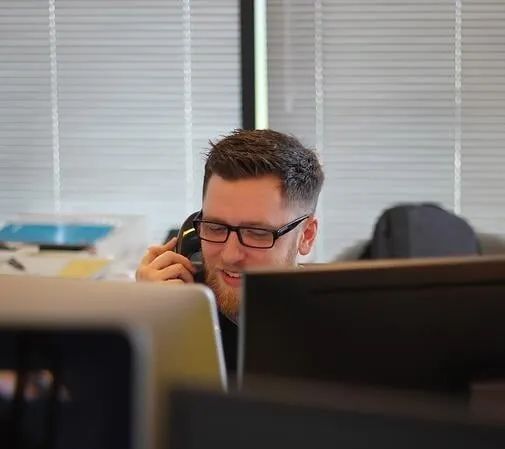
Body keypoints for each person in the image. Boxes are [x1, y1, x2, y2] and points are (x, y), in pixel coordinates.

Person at [136, 129, 324, 373]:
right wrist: (145, 321)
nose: (230, 255)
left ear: (306, 236)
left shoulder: (339, 337)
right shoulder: (179, 309)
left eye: (257, 233)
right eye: (215, 228)